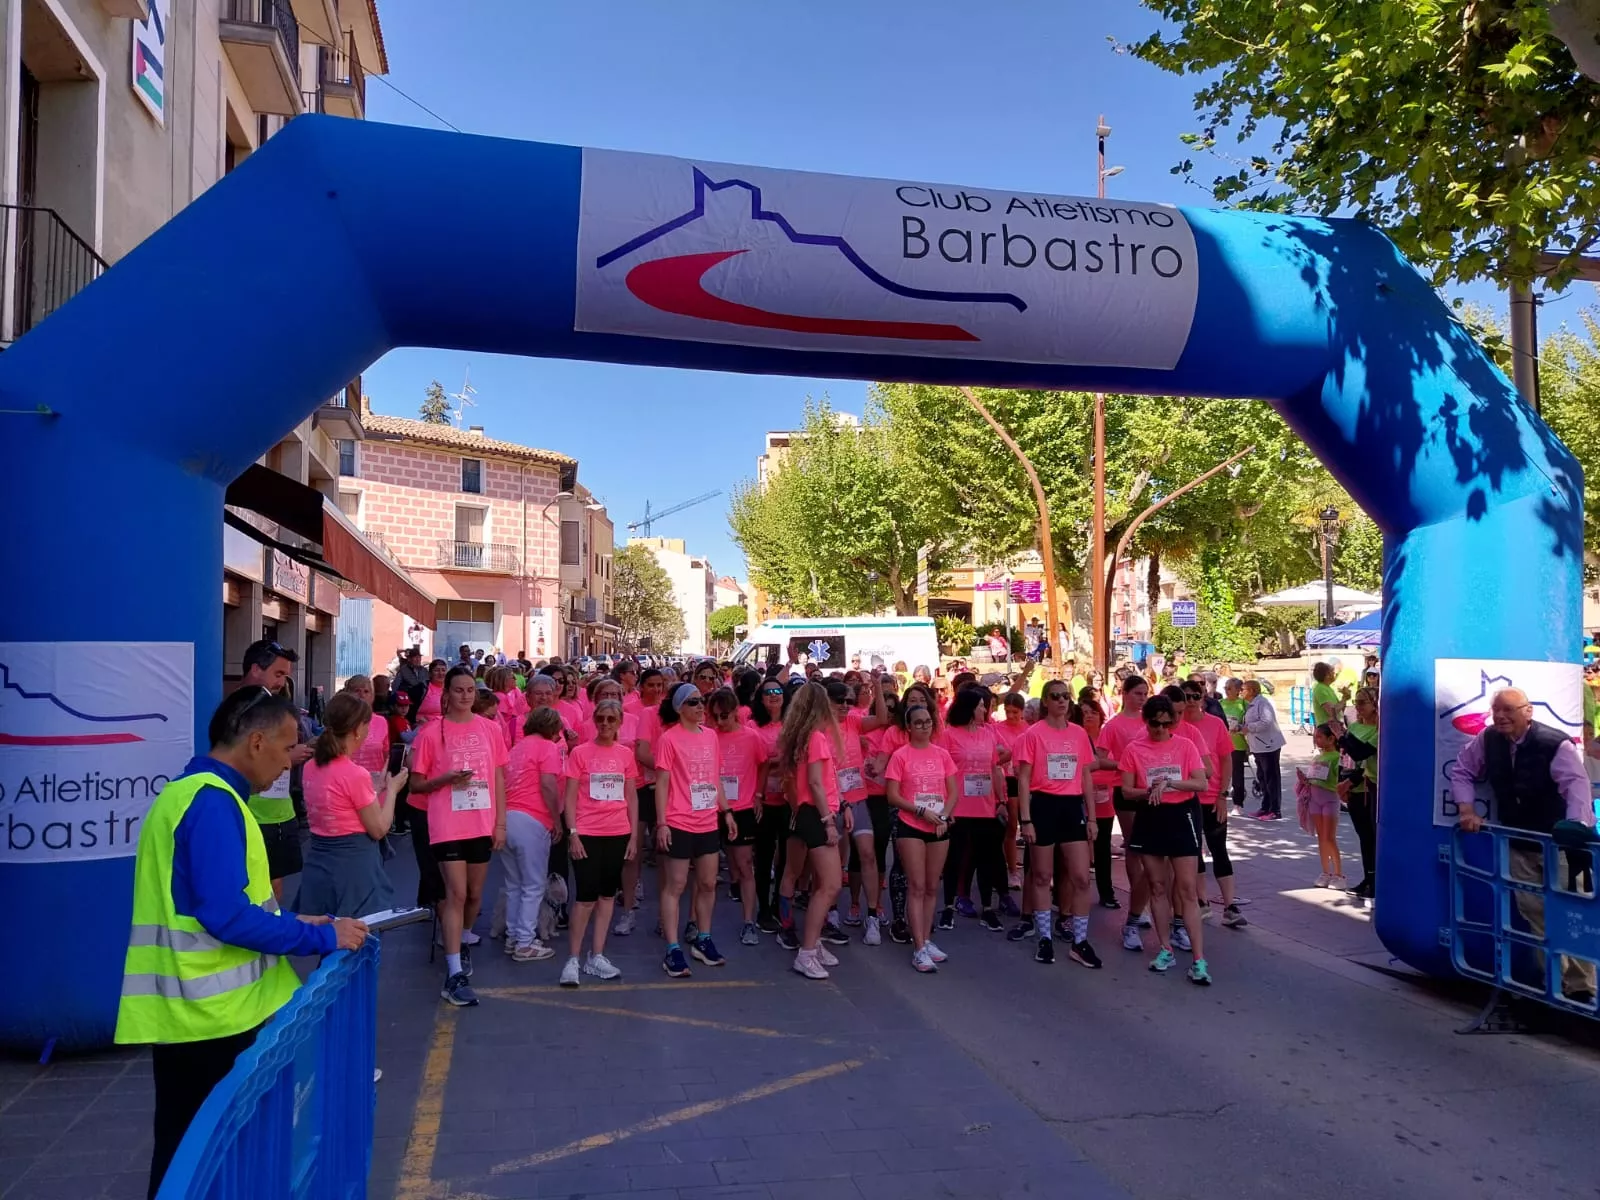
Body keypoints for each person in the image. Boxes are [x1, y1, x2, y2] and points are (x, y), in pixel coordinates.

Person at [115, 686, 367, 1199]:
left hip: (207, 1015)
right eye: (286, 747)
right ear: (256, 741)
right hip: (212, 1020)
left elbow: (233, 906)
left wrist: (299, 919)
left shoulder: (200, 795)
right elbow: (225, 916)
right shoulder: (211, 802)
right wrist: (319, 934)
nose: (290, 764)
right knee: (199, 1159)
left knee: (193, 1153)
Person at [1448, 687, 1597, 1002]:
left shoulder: (1553, 743)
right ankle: (1556, 983)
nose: (1500, 716)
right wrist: (1466, 809)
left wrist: (1575, 826)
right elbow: (1461, 770)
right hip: (1519, 841)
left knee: (1573, 912)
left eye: (1509, 710)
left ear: (1528, 711)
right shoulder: (1488, 740)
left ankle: (1582, 988)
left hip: (1559, 845)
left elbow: (1576, 785)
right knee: (1533, 912)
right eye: (1496, 710)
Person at [408, 665, 509, 1007]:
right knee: (456, 893)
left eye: (470, 690)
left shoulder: (491, 729)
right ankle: (453, 972)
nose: (465, 696)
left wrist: (500, 823)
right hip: (446, 823)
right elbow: (417, 784)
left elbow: (497, 777)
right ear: (446, 694)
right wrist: (446, 780)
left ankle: (461, 941)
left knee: (475, 894)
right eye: (458, 690)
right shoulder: (430, 734)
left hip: (481, 821)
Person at [1119, 695, 1213, 985]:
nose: (1160, 729)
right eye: (1155, 724)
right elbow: (1125, 791)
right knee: (1158, 886)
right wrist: (1149, 790)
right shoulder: (1134, 749)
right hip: (1151, 816)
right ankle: (1165, 949)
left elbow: (1202, 782)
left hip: (1181, 816)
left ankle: (1199, 959)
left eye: (1165, 723)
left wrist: (1170, 783)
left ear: (1172, 721)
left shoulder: (1185, 745)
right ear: (1146, 721)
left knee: (1186, 888)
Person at [1013, 680, 1101, 967]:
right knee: (1041, 875)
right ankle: (1044, 938)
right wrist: (1025, 819)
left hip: (1071, 805)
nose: (1062, 701)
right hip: (1042, 804)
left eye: (1066, 696)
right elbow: (1023, 779)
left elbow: (1086, 775)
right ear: (1045, 701)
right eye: (1056, 696)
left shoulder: (1078, 734)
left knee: (1081, 876)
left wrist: (1092, 817)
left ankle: (1080, 941)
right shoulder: (1033, 734)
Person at [296, 692, 402, 918]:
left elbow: (338, 804)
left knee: (328, 938)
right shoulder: (354, 774)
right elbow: (379, 828)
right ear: (356, 730)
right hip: (354, 867)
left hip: (319, 861)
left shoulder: (311, 766)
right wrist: (392, 790)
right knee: (358, 939)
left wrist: (373, 789)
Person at [775, 681, 851, 978]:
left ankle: (813, 942)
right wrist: (828, 820)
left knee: (823, 883)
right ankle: (806, 952)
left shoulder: (801, 737)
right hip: (817, 815)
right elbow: (817, 784)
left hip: (812, 813)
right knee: (830, 885)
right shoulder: (816, 738)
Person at [654, 683, 731, 976]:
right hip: (678, 820)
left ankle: (703, 938)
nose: (701, 707)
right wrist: (662, 823)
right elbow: (661, 783)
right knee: (675, 885)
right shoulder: (669, 739)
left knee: (708, 883)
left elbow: (716, 777)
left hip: (708, 820)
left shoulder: (711, 736)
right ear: (680, 708)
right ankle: (672, 949)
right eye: (694, 702)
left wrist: (728, 812)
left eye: (702, 701)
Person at [560, 699, 638, 985]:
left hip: (617, 832)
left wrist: (633, 836)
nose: (605, 724)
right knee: (585, 898)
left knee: (607, 895)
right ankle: (572, 959)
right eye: (601, 719)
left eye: (611, 719)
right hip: (587, 833)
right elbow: (569, 796)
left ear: (619, 723)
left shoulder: (626, 755)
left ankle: (597, 955)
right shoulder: (580, 753)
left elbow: (631, 796)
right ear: (594, 721)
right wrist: (573, 833)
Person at [235, 641, 313, 900]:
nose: (282, 682)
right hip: (250, 815)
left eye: (285, 676)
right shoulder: (235, 710)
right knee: (256, 890)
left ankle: (273, 935)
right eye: (278, 674)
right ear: (256, 669)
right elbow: (237, 758)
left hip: (281, 812)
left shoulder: (275, 707)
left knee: (275, 888)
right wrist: (289, 755)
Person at [885, 702, 958, 972]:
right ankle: (917, 948)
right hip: (911, 825)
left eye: (928, 721)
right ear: (908, 727)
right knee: (916, 886)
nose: (924, 726)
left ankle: (926, 940)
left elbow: (952, 792)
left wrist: (944, 816)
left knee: (930, 887)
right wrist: (920, 811)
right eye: (918, 722)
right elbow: (892, 795)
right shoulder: (900, 756)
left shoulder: (941, 754)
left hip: (938, 826)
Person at [938, 686, 1010, 933]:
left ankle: (987, 909)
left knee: (986, 858)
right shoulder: (948, 735)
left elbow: (994, 769)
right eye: (980, 706)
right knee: (955, 858)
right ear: (970, 708)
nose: (984, 710)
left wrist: (1001, 801)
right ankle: (948, 907)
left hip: (985, 805)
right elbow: (942, 773)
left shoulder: (988, 733)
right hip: (958, 806)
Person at [502, 707, 566, 962]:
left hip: (507, 818)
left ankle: (513, 936)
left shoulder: (517, 749)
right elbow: (549, 785)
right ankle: (525, 943)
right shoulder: (547, 748)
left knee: (513, 884)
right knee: (533, 884)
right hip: (532, 818)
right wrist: (557, 820)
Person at [709, 687, 768, 945]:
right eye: (715, 717)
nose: (720, 722)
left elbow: (764, 763)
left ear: (735, 712)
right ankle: (698, 924)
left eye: (724, 716)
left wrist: (758, 794)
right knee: (709, 871)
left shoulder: (752, 737)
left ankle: (748, 922)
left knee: (745, 865)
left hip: (742, 808)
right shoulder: (709, 737)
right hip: (711, 809)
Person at [1180, 682, 1241, 924]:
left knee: (1219, 849)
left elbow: (1227, 761)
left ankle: (1230, 906)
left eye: (1197, 696)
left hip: (1213, 796)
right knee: (1194, 851)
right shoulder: (1176, 726)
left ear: (1204, 698)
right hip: (1187, 797)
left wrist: (1223, 794)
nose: (1192, 700)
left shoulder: (1215, 724)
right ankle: (1202, 901)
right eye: (1187, 696)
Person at [749, 676, 791, 934]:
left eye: (778, 691)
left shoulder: (791, 725)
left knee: (787, 857)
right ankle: (763, 908)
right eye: (768, 692)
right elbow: (754, 762)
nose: (774, 695)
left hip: (788, 800)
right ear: (761, 699)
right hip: (762, 800)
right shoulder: (753, 727)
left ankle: (779, 904)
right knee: (763, 858)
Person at [1333, 688, 1379, 897]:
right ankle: (1367, 877)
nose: (1358, 707)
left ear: (1374, 703)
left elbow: (1361, 753)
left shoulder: (1379, 730)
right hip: (1350, 785)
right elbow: (1345, 753)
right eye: (1356, 702)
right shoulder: (1356, 726)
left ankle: (1376, 880)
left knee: (1372, 836)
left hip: (1365, 786)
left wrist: (1342, 737)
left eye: (1363, 702)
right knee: (1363, 836)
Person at [1298, 723, 1347, 887]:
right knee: (1321, 837)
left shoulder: (1336, 757)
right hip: (1314, 800)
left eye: (1319, 737)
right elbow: (1314, 778)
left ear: (1331, 739)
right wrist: (1304, 779)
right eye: (1315, 737)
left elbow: (1337, 778)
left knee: (1329, 837)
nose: (1316, 740)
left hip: (1330, 799)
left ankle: (1339, 874)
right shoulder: (1317, 757)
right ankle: (1325, 872)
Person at [1242, 679, 1285, 819]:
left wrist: (1249, 728)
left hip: (1268, 745)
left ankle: (1275, 809)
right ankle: (1265, 807)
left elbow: (1266, 722)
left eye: (1244, 689)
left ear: (1253, 691)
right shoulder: (1251, 704)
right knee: (1262, 777)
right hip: (1258, 746)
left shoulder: (1262, 703)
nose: (1241, 691)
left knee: (1271, 777)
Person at [1218, 679, 1250, 813]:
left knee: (1237, 775)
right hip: (1221, 744)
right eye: (1225, 687)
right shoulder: (1219, 704)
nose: (1226, 690)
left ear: (1238, 690)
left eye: (1229, 688)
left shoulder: (1244, 704)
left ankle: (1238, 804)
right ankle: (1219, 799)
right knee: (1219, 774)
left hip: (1238, 745)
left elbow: (1250, 724)